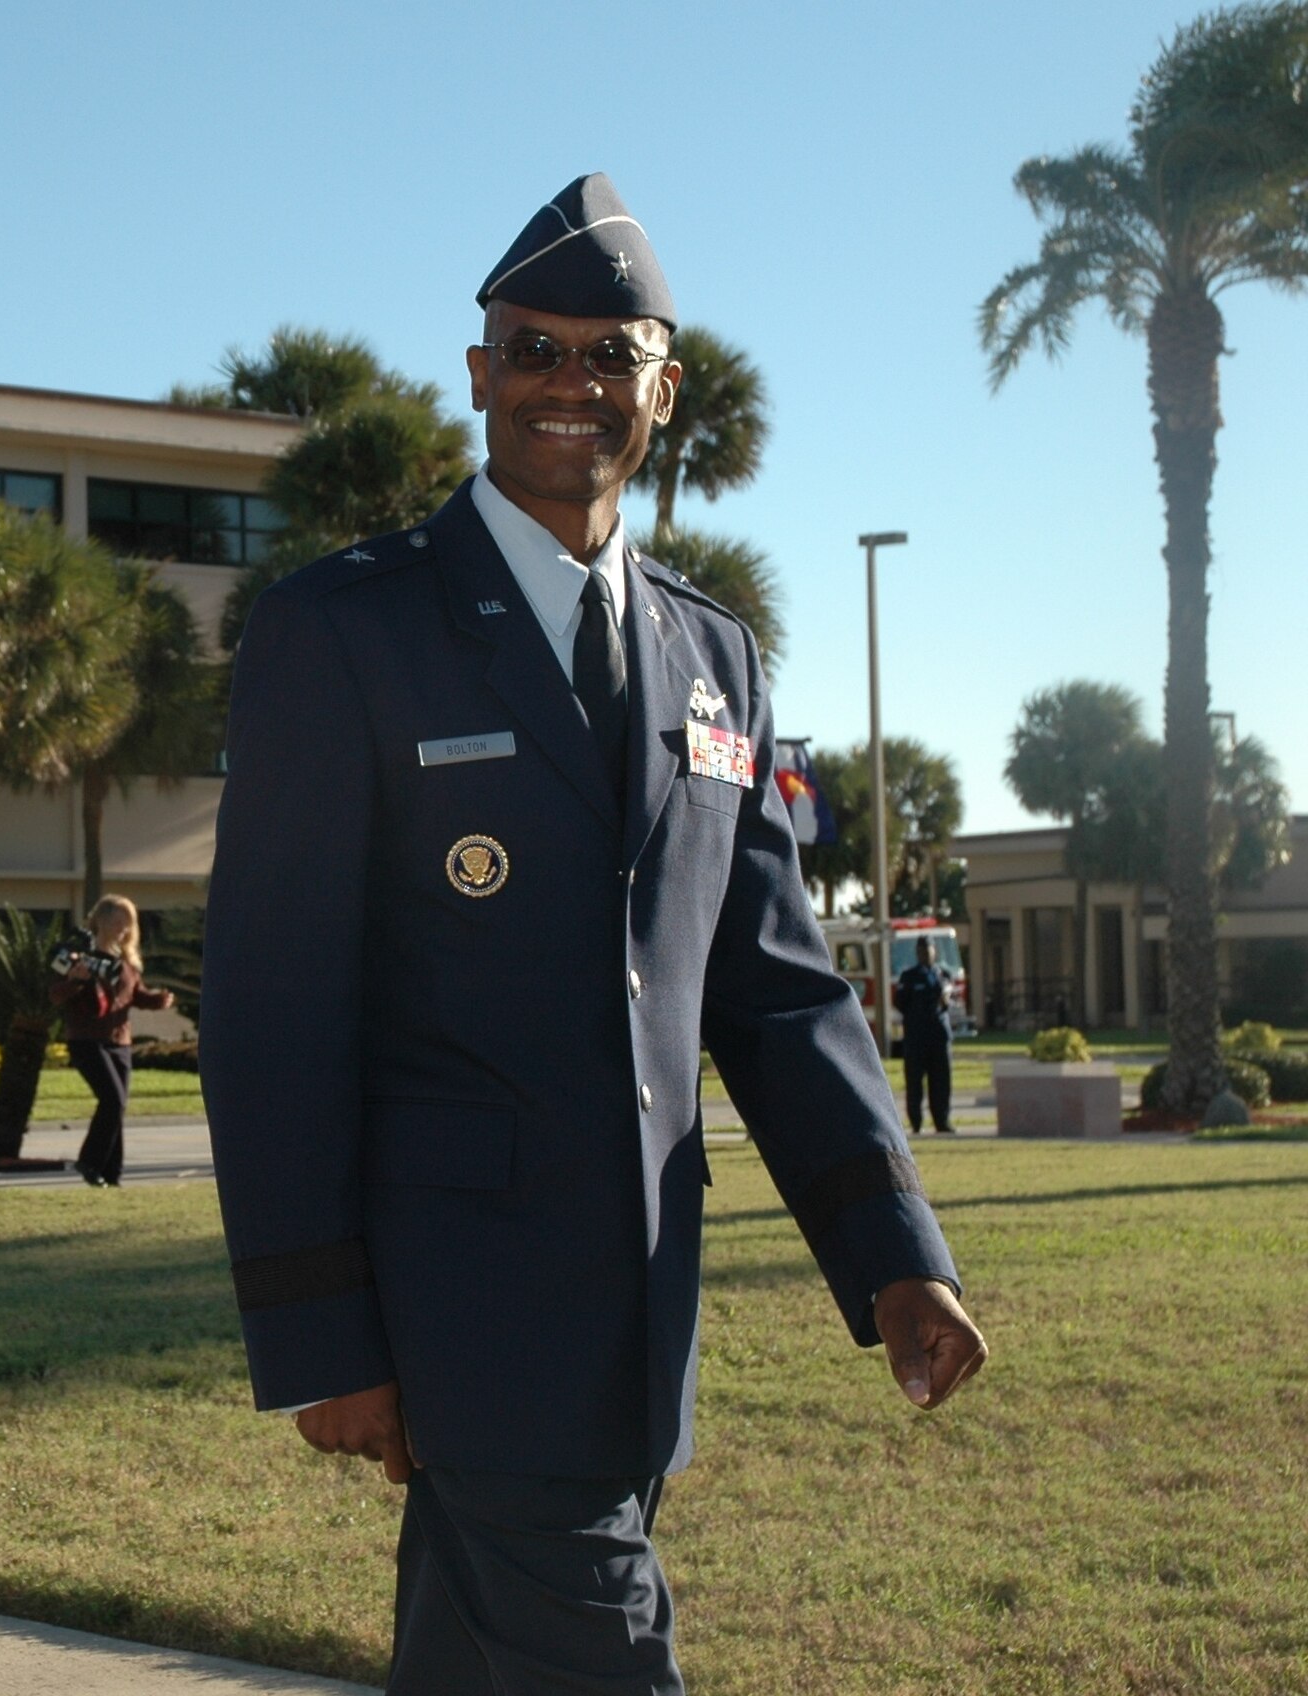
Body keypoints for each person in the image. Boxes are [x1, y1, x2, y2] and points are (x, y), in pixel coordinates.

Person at [201, 173, 987, 1693]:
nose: (572, 385)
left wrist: (891, 1250)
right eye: (536, 349)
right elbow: (273, 1008)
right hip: (458, 1312)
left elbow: (771, 987)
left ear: (662, 390)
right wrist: (321, 1334)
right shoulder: (347, 631)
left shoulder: (714, 656)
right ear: (480, 371)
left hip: (641, 1308)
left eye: (608, 355)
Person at [50, 894, 174, 1188]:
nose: (124, 929)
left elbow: (136, 996)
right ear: (102, 921)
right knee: (113, 1100)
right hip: (87, 1040)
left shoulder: (125, 963)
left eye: (128, 924)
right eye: (119, 922)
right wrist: (78, 980)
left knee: (117, 1105)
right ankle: (90, 1162)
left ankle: (111, 1172)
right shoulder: (78, 956)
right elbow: (56, 994)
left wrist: (159, 1000)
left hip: (120, 1042)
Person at [894, 937, 956, 1135]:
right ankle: (916, 1123)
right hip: (917, 1036)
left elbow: (948, 1001)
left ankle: (942, 1121)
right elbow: (900, 1002)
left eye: (928, 950)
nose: (925, 954)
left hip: (939, 1035)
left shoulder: (943, 975)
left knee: (941, 1081)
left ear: (934, 951)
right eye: (921, 951)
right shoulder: (909, 976)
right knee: (914, 1082)